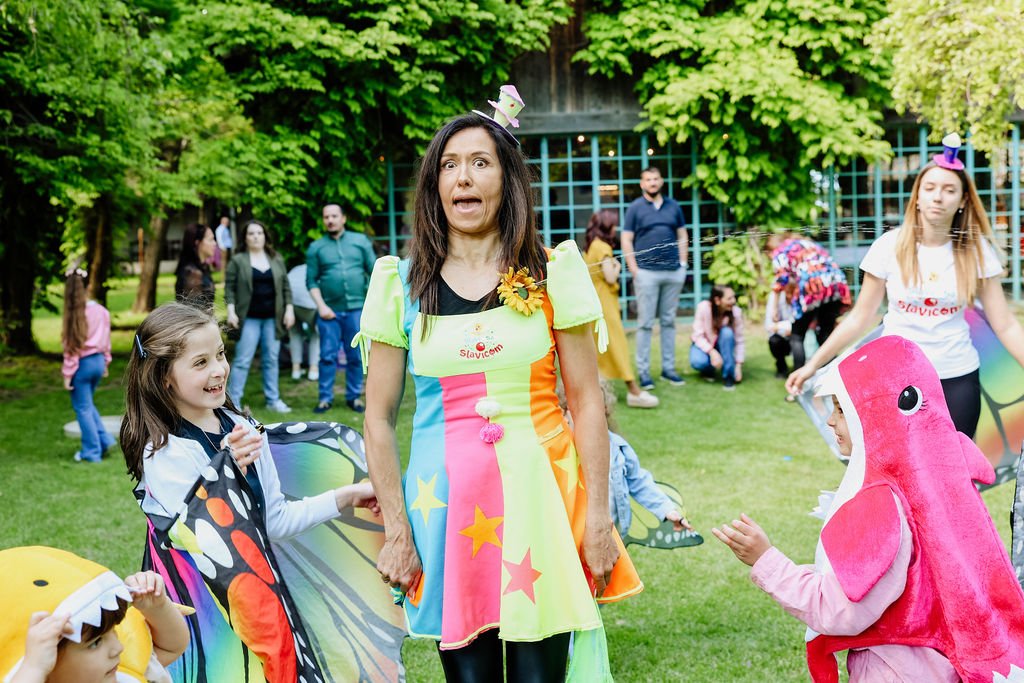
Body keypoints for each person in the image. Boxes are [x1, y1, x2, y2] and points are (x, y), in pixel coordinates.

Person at [356, 99, 642, 681]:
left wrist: (597, 519)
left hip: (542, 507)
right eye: (449, 165)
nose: (463, 177)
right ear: (434, 185)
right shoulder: (399, 285)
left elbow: (587, 402)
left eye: (480, 162)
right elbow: (378, 419)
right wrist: (397, 531)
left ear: (507, 181)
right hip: (447, 515)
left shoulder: (552, 272)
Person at [714, 335, 1024, 682]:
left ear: (876, 414)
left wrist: (767, 561)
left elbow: (840, 609)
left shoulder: (885, 510)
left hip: (892, 671)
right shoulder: (939, 483)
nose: (830, 421)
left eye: (841, 409)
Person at [120, 303, 380, 676]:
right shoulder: (164, 452)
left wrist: (347, 497)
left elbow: (275, 521)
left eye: (220, 354)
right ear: (164, 377)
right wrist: (224, 468)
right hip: (203, 616)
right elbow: (198, 535)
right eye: (200, 362)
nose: (218, 370)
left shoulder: (242, 427)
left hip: (259, 602)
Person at [786, 134, 1024, 439]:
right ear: (918, 196)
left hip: (957, 379)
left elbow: (1005, 325)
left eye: (949, 190)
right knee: (898, 465)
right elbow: (860, 317)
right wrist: (812, 365)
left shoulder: (976, 251)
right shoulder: (889, 246)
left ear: (963, 200)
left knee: (954, 467)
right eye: (930, 188)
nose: (938, 197)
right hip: (896, 378)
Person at [0, 546, 188, 683]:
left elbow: (171, 647)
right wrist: (32, 668)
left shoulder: (123, 673)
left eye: (113, 631)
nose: (118, 648)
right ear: (47, 661)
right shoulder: (33, 670)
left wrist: (157, 607)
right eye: (95, 643)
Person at [621, 166, 688, 390]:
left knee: (668, 322)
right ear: (642, 184)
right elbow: (626, 239)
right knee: (645, 324)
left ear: (661, 181)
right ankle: (644, 373)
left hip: (673, 272)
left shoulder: (673, 206)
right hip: (646, 273)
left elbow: (682, 235)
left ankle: (669, 370)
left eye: (656, 178)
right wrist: (634, 270)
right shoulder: (635, 208)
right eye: (648, 179)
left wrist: (683, 265)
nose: (652, 182)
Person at [583, 209, 658, 408]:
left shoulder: (591, 246)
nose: (616, 228)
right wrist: (616, 266)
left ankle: (599, 391)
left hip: (596, 302)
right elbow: (610, 277)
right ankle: (634, 390)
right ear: (607, 226)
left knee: (602, 348)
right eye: (614, 224)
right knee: (618, 345)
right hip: (606, 304)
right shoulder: (603, 247)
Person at [306, 204, 375, 414]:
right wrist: (321, 306)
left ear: (343, 218)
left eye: (334, 216)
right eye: (326, 217)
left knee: (356, 357)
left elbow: (375, 272)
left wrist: (370, 304)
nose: (330, 220)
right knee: (327, 356)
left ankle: (354, 397)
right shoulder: (316, 247)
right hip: (329, 312)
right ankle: (325, 399)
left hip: (357, 310)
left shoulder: (360, 242)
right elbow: (311, 281)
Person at [224, 220, 294, 413]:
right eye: (251, 233)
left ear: (265, 236)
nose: (255, 237)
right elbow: (229, 288)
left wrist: (289, 309)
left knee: (271, 359)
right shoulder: (238, 260)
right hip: (249, 319)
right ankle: (233, 401)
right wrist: (231, 311)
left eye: (259, 233)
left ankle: (273, 400)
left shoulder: (276, 259)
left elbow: (286, 286)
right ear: (245, 238)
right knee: (242, 360)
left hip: (273, 318)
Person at [769, 236, 850, 372]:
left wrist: (774, 308)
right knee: (825, 334)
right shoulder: (810, 244)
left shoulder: (781, 251)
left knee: (797, 336)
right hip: (835, 285)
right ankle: (834, 375)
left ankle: (799, 381)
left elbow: (781, 279)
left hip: (812, 287)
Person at [61, 268, 115, 463]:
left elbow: (71, 347)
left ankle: (91, 452)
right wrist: (106, 361)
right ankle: (104, 440)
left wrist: (68, 373)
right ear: (86, 286)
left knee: (82, 408)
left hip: (82, 366)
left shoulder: (73, 314)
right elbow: (106, 338)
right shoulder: (101, 311)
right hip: (98, 362)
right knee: (88, 404)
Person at [690, 284, 745, 390]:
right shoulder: (703, 308)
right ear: (717, 300)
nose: (733, 301)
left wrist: (738, 365)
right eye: (729, 298)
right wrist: (712, 352)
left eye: (734, 297)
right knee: (698, 361)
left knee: (727, 333)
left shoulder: (736, 312)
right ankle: (708, 370)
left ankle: (728, 376)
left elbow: (739, 340)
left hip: (724, 345)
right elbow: (697, 336)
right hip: (705, 345)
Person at [286, 262, 320, 381]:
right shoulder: (319, 268)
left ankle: (296, 369)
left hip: (292, 304)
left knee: (295, 334)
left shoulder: (296, 268)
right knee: (316, 334)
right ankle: (313, 369)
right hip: (310, 305)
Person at [173, 223, 216, 309]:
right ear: (197, 242)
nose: (214, 243)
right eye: (210, 239)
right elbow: (194, 311)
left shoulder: (203, 267)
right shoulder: (192, 273)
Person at [764, 282, 796, 379]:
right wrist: (786, 329)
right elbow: (769, 326)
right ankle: (781, 366)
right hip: (782, 337)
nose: (790, 296)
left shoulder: (801, 298)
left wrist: (780, 326)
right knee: (774, 341)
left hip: (797, 335)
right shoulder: (775, 298)